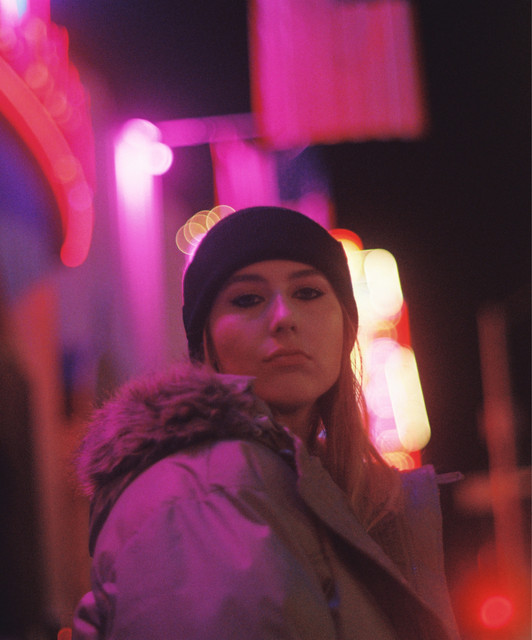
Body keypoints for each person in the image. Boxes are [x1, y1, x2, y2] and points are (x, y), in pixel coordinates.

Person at [72, 206, 461, 639]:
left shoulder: (321, 490)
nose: (283, 318)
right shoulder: (199, 494)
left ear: (346, 326)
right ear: (206, 341)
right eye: (247, 299)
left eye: (308, 293)